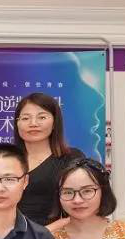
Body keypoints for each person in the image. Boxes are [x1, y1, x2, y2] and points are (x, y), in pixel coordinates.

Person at [13, 92, 84, 225]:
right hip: (8, 233)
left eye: (42, 117)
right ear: (17, 123)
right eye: (25, 118)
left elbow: (82, 206)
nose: (33, 123)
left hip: (55, 233)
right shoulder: (6, 159)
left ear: (54, 122)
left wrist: (42, 233)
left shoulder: (71, 158)